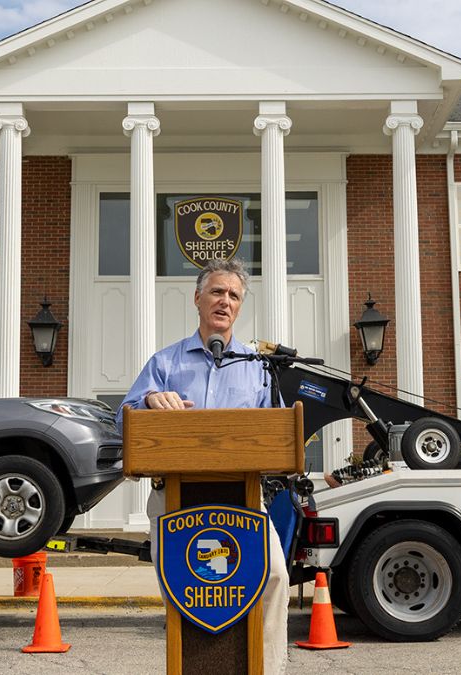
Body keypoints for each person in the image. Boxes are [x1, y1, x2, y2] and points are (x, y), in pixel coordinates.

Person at [117, 257, 289, 675]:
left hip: (244, 499)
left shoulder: (259, 367)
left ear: (240, 307)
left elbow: (279, 430)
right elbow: (125, 417)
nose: (224, 301)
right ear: (197, 298)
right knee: (187, 593)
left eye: (233, 295)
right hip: (175, 500)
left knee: (274, 579)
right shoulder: (165, 363)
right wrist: (148, 403)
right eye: (216, 291)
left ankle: (266, 670)